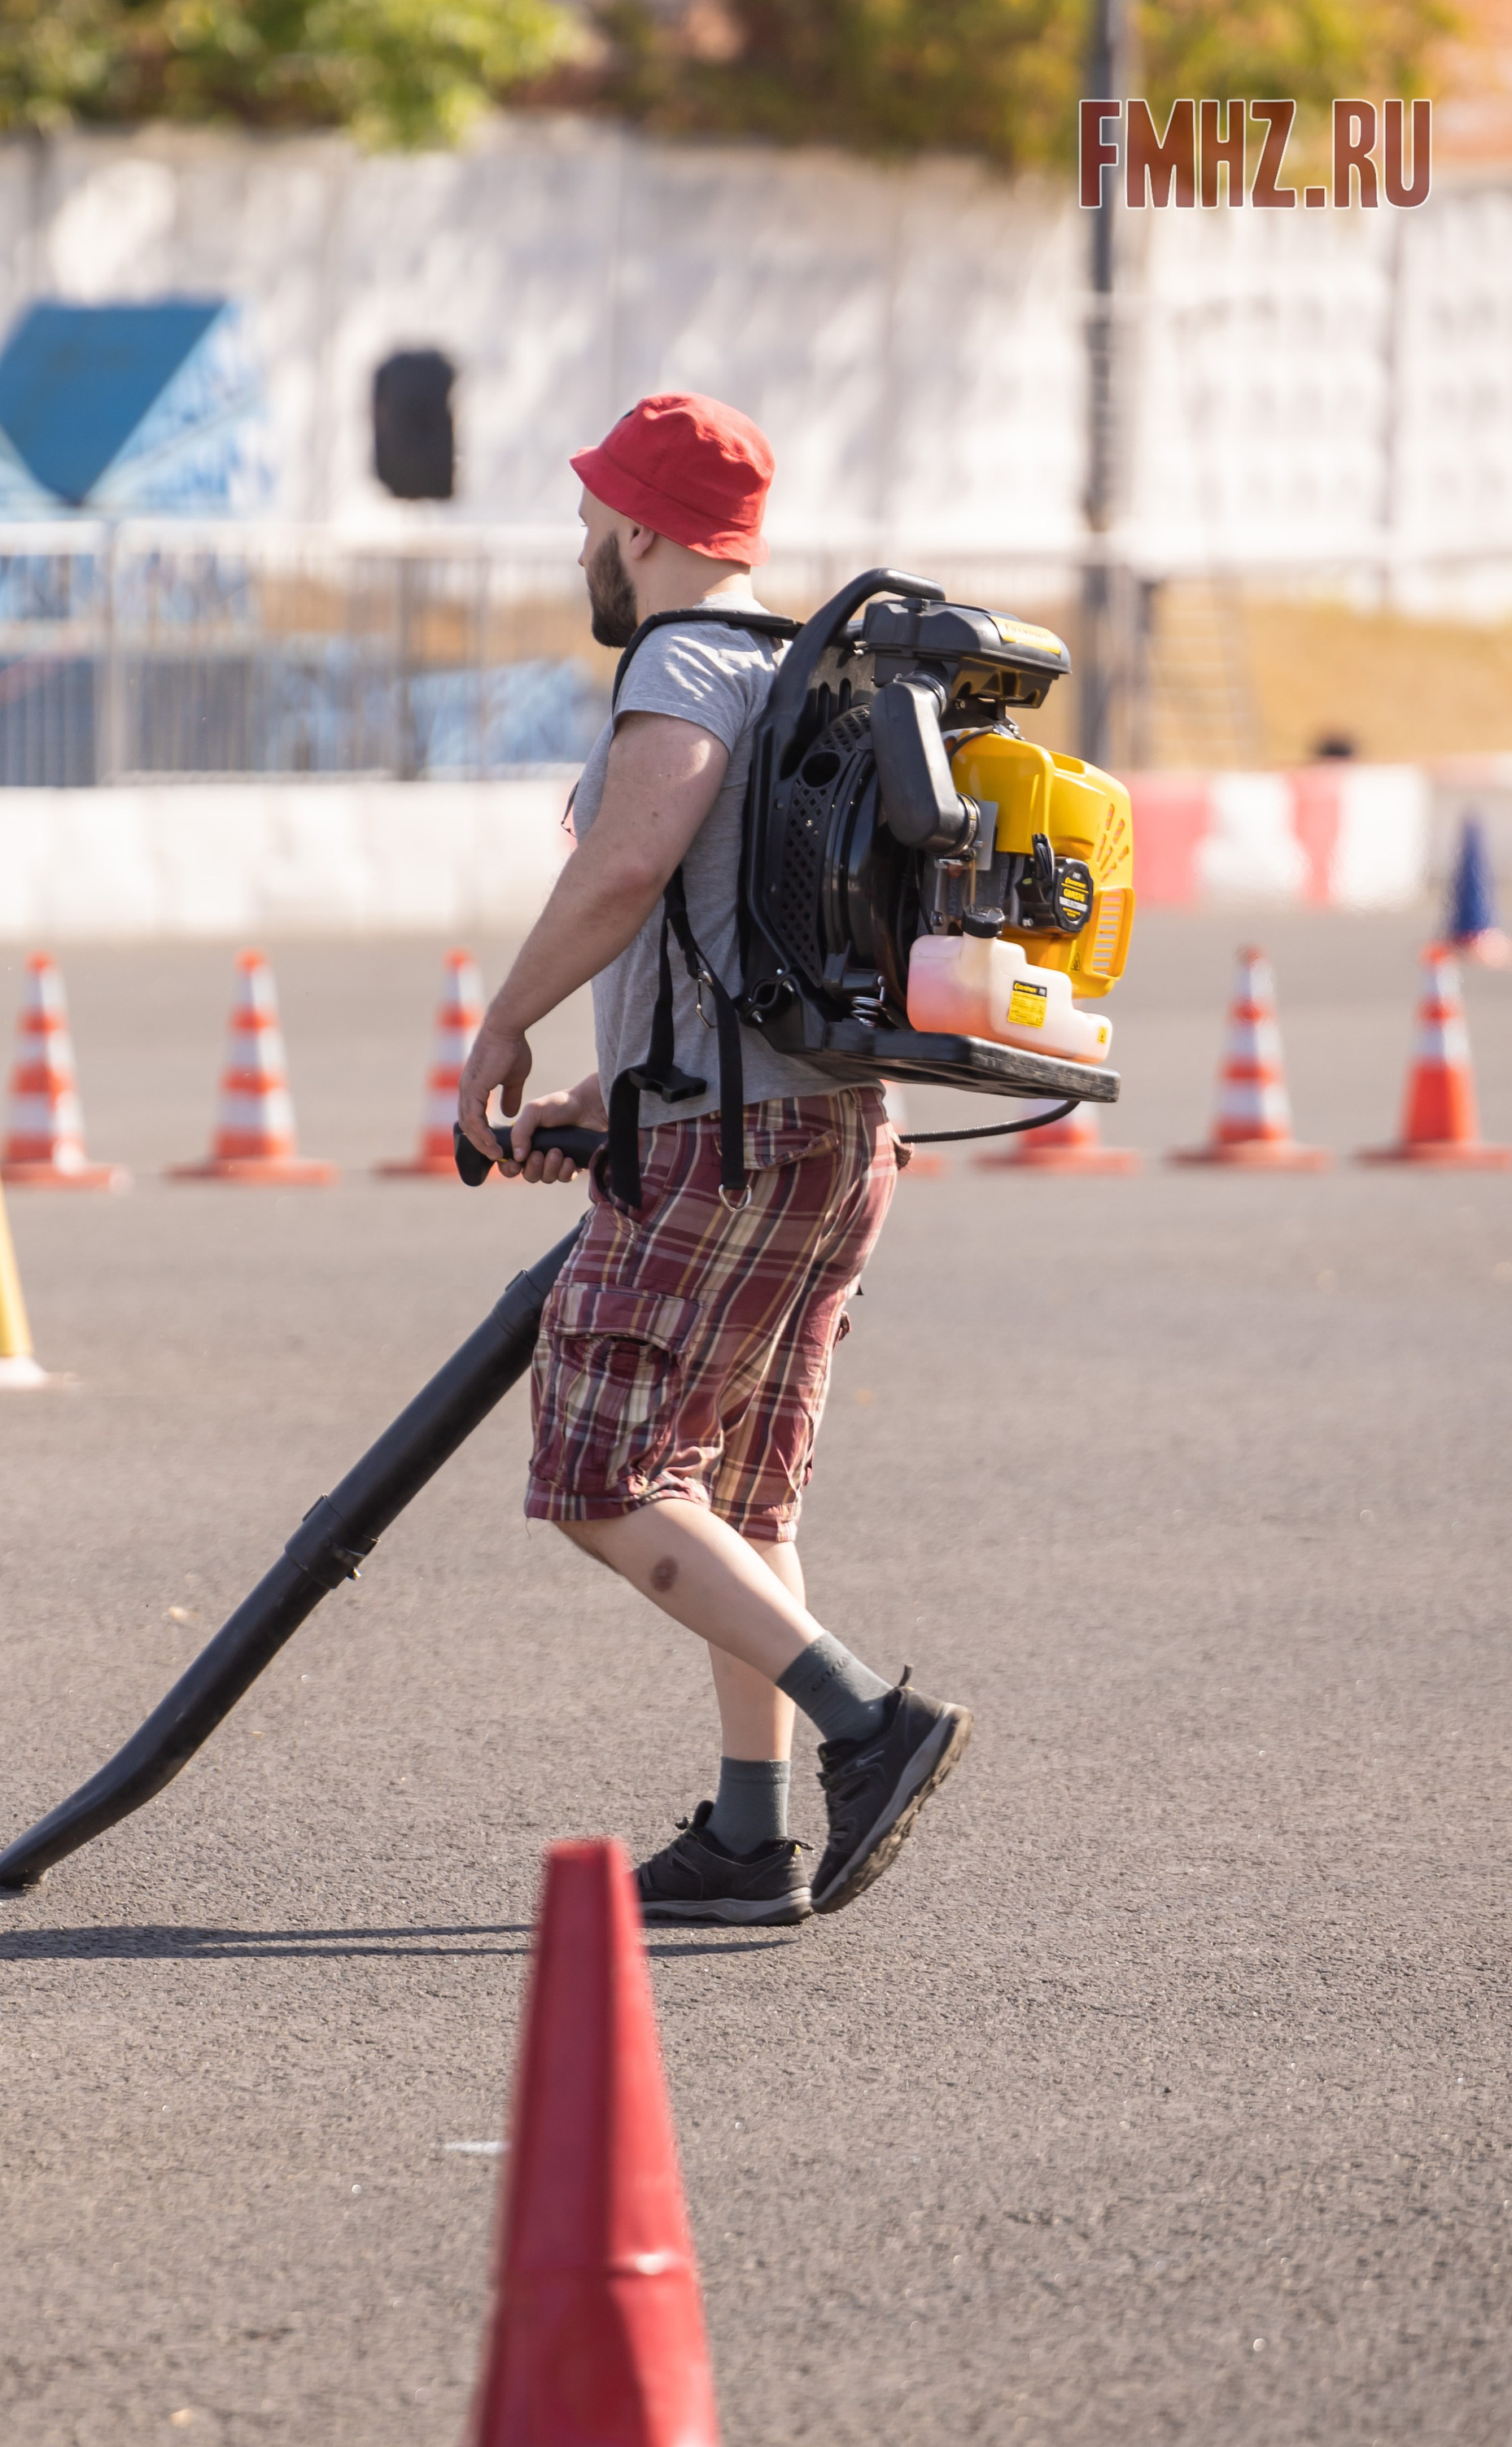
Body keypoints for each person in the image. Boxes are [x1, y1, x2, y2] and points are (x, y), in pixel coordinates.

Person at [457, 392, 972, 1927]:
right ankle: (752, 1839)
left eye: (592, 520)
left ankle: (867, 1722)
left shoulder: (682, 662)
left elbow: (631, 863)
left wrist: (506, 1028)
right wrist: (615, 1091)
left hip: (730, 1145)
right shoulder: (809, 670)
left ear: (645, 531)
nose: (582, 546)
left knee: (607, 1474)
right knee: (738, 1495)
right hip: (826, 1128)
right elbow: (744, 939)